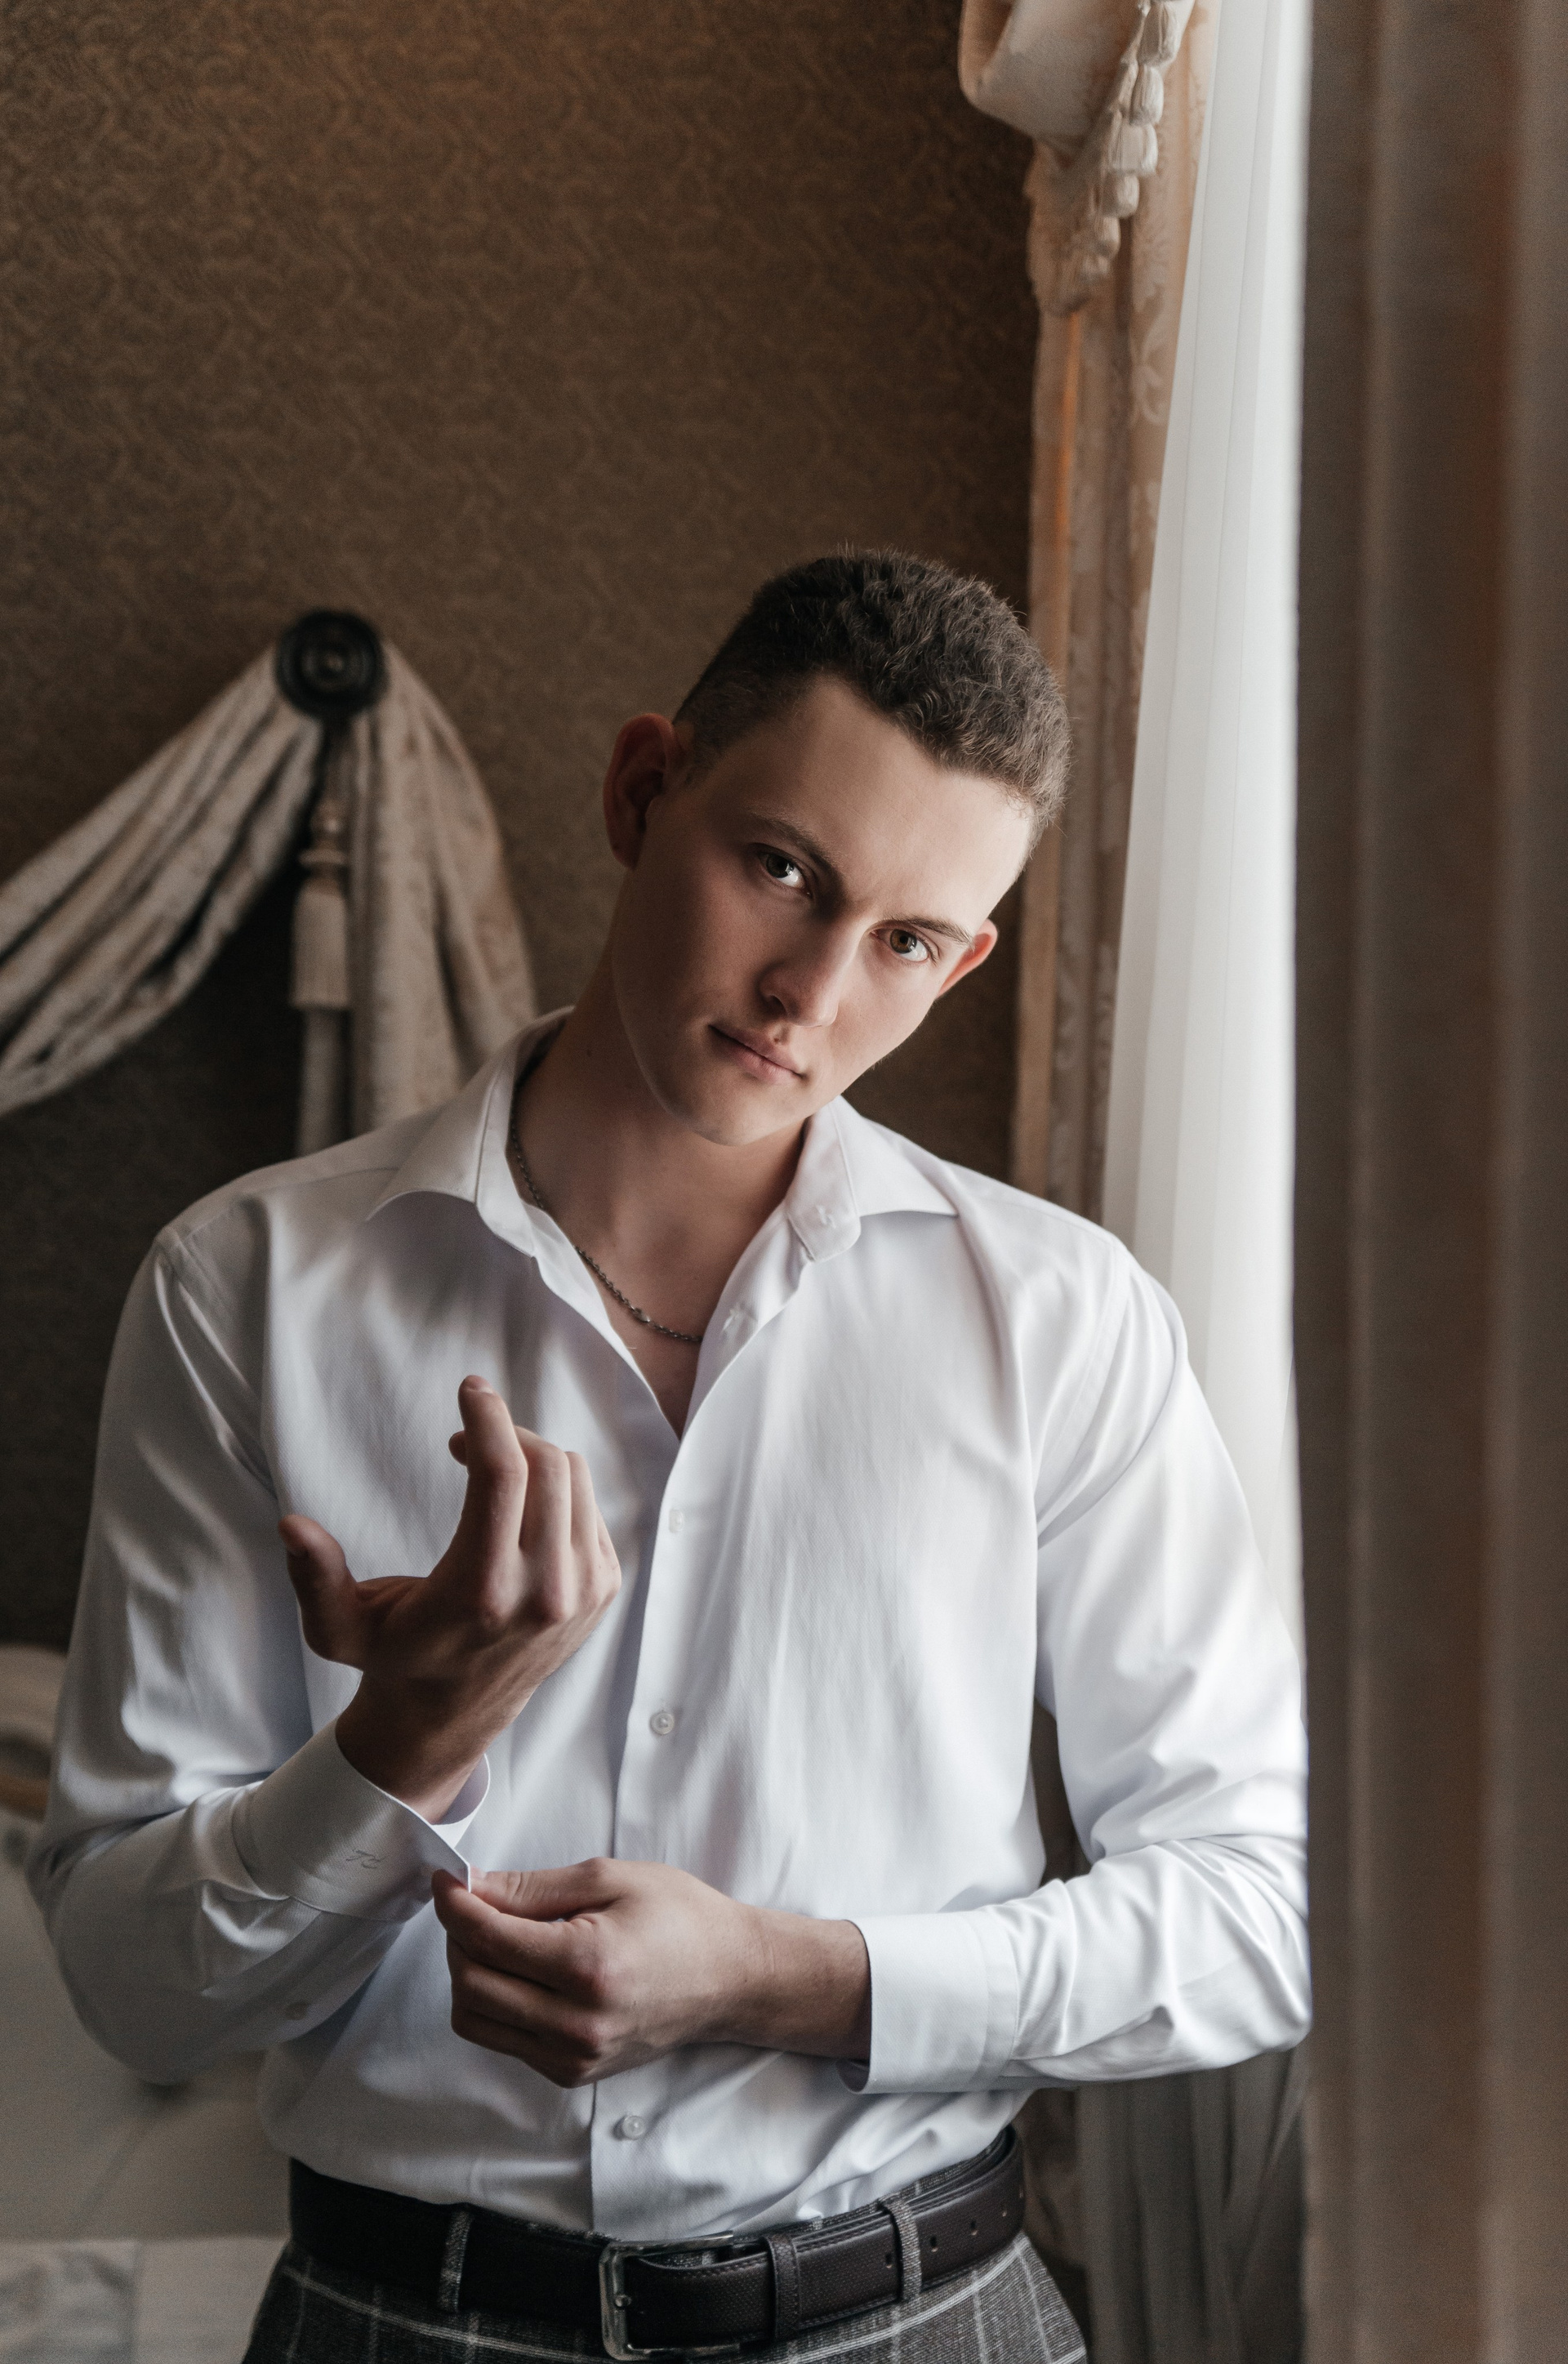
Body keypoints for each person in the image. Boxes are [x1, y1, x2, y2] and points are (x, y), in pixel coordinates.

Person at [30, 552, 1309, 2364]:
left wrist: (796, 1980)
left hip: (927, 2316)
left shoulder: (1064, 1319)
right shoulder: (244, 1287)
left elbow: (1261, 1909)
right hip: (400, 2320)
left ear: (967, 959)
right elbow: (133, 1995)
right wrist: (405, 1743)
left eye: (907, 942)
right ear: (644, 790)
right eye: (784, 868)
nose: (810, 991)